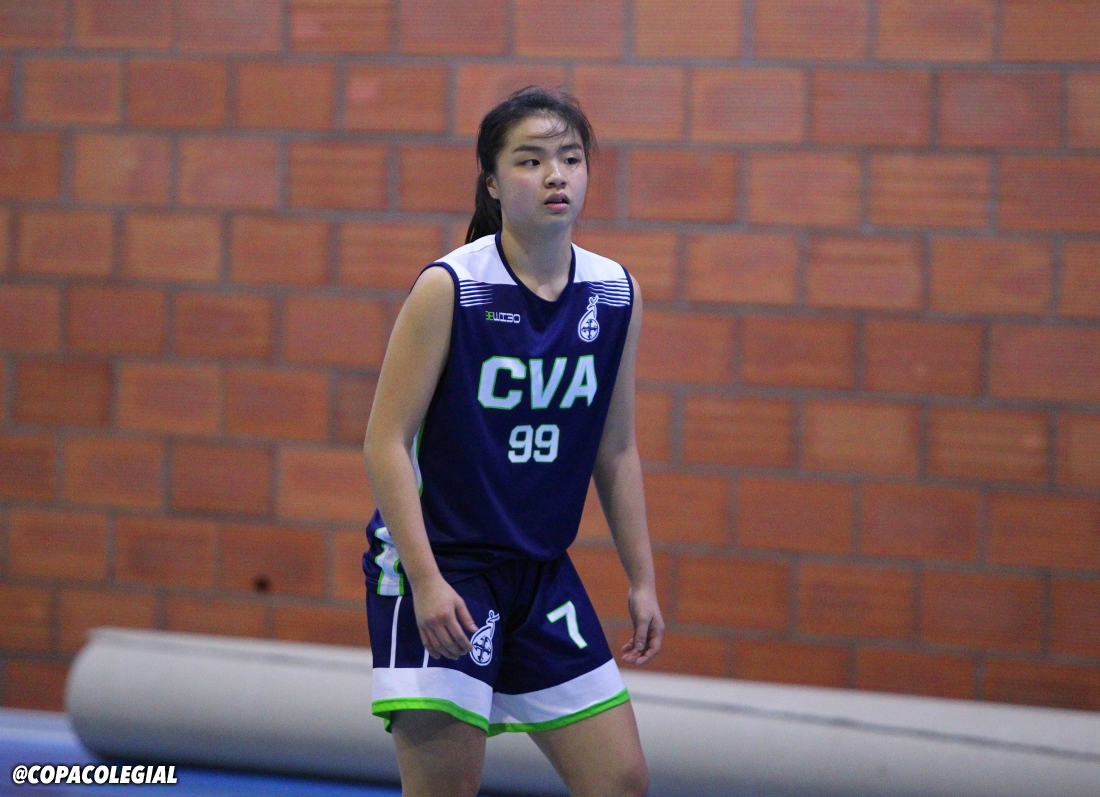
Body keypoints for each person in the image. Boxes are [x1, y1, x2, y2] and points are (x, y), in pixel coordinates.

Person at [362, 86, 663, 797]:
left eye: (571, 158)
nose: (556, 175)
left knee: (621, 780)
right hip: (446, 565)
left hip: (540, 571)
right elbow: (385, 442)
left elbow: (616, 449)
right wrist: (426, 580)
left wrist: (642, 579)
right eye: (531, 160)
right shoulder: (451, 288)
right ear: (493, 183)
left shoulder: (615, 292)